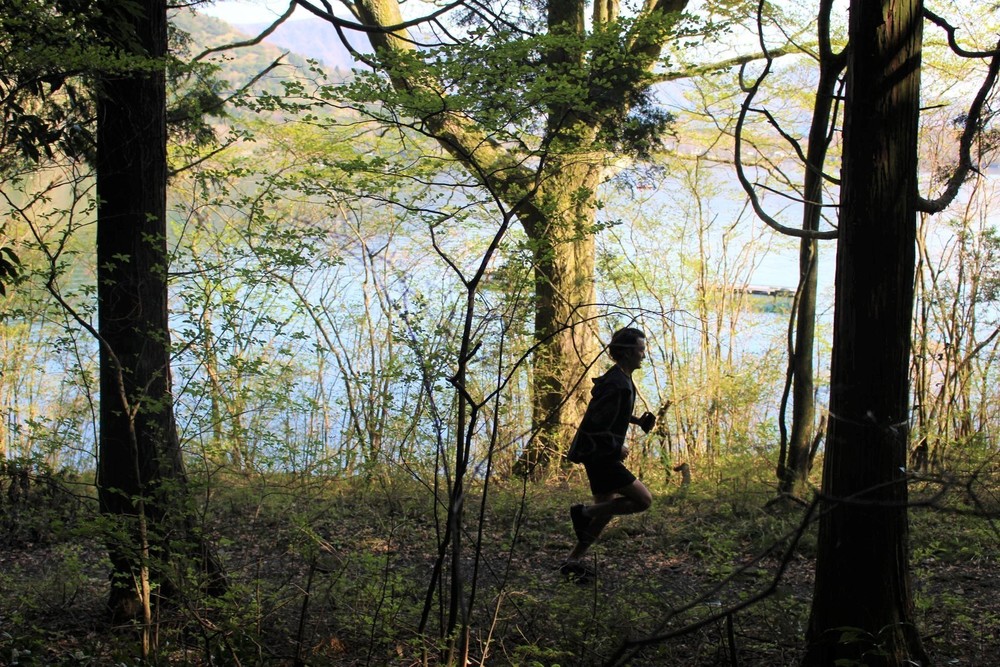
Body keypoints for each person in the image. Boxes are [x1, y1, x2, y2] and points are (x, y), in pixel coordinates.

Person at [562, 327, 656, 581]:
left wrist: (636, 421)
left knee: (605, 510)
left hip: (598, 453)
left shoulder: (620, 377)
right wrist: (617, 447)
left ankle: (572, 561)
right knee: (643, 500)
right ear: (627, 353)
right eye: (640, 350)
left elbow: (610, 412)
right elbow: (594, 423)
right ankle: (582, 513)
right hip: (600, 455)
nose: (643, 355)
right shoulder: (618, 383)